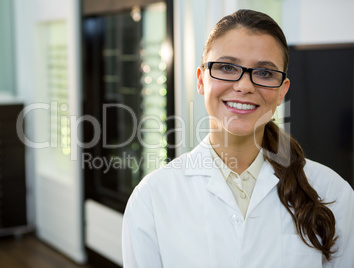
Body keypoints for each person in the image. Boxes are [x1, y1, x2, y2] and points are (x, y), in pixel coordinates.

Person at [122, 9, 354, 268]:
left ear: (281, 92)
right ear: (201, 80)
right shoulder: (152, 197)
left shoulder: (333, 193)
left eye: (265, 73)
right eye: (227, 67)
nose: (244, 86)